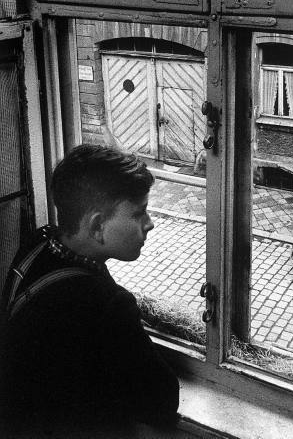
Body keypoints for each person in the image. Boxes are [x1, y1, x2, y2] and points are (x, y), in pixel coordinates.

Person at [0, 144, 179, 435]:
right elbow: (161, 399)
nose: (150, 224)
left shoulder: (37, 243)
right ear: (97, 226)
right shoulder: (109, 305)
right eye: (139, 213)